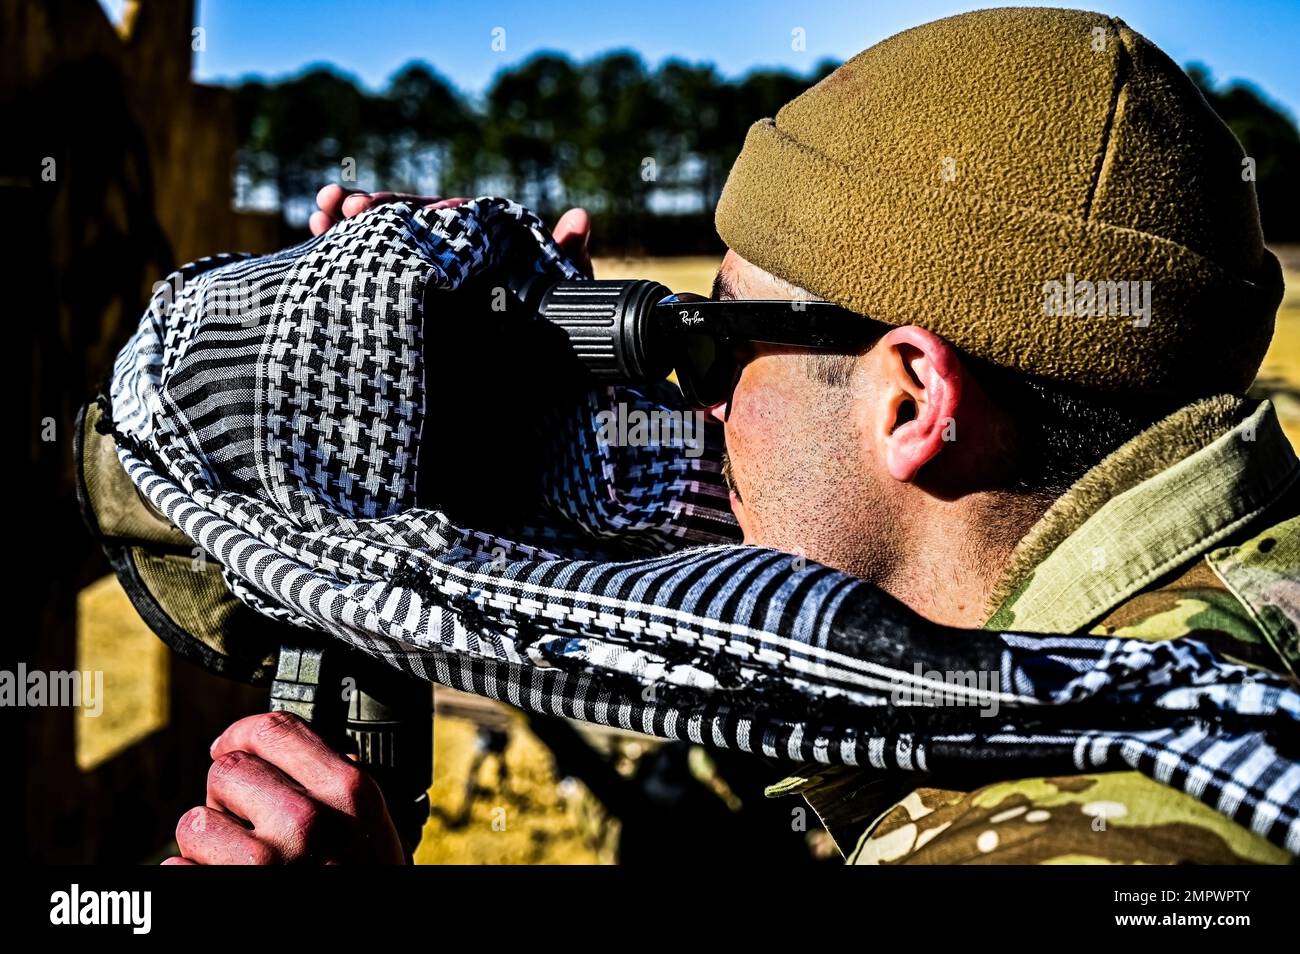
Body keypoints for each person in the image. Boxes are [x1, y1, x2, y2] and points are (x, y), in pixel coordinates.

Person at [166, 7, 1297, 865]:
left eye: (713, 339)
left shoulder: (1110, 833)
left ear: (909, 398)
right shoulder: (1174, 656)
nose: (697, 405)